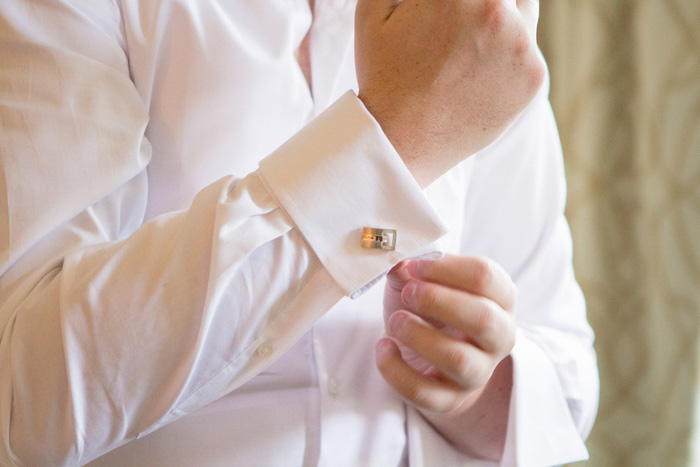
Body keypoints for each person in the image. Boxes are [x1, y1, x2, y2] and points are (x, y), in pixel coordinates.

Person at [0, 0, 599, 465]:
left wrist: (472, 386)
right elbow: (23, 402)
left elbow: (567, 391)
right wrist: (389, 145)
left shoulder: (478, 26)